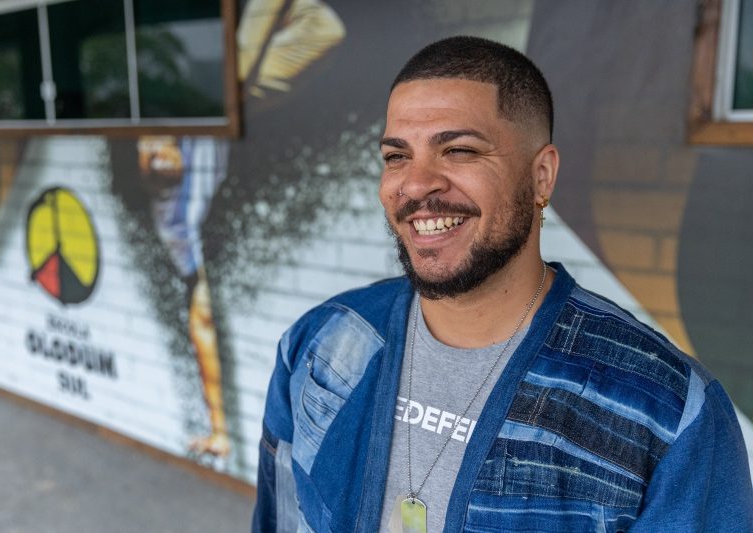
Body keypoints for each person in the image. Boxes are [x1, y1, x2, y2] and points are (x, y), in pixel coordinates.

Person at [251, 36, 753, 532]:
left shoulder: (667, 412)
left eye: (460, 150)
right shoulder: (324, 342)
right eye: (396, 156)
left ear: (541, 177)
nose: (417, 183)